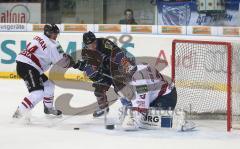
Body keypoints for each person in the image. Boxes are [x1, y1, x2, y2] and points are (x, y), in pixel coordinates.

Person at [12, 24, 75, 120]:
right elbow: (61, 62)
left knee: (49, 84)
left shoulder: (39, 36)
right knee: (38, 93)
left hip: (27, 65)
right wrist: (72, 63)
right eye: (54, 33)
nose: (56, 35)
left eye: (57, 33)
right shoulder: (53, 45)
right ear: (48, 33)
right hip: (28, 66)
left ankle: (48, 108)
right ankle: (18, 113)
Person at [117, 59, 195, 131]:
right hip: (156, 94)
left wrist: (133, 121)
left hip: (166, 97)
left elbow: (141, 106)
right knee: (125, 95)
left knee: (149, 118)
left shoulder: (139, 80)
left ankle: (180, 122)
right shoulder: (138, 67)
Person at [73, 31, 127, 118]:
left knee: (121, 89)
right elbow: (90, 68)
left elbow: (119, 53)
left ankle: (128, 107)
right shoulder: (85, 52)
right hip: (104, 72)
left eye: (94, 43)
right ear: (85, 45)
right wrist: (97, 76)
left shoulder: (104, 42)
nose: (93, 46)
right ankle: (103, 108)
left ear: (96, 40)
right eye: (90, 45)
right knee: (99, 90)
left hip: (116, 69)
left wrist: (110, 61)